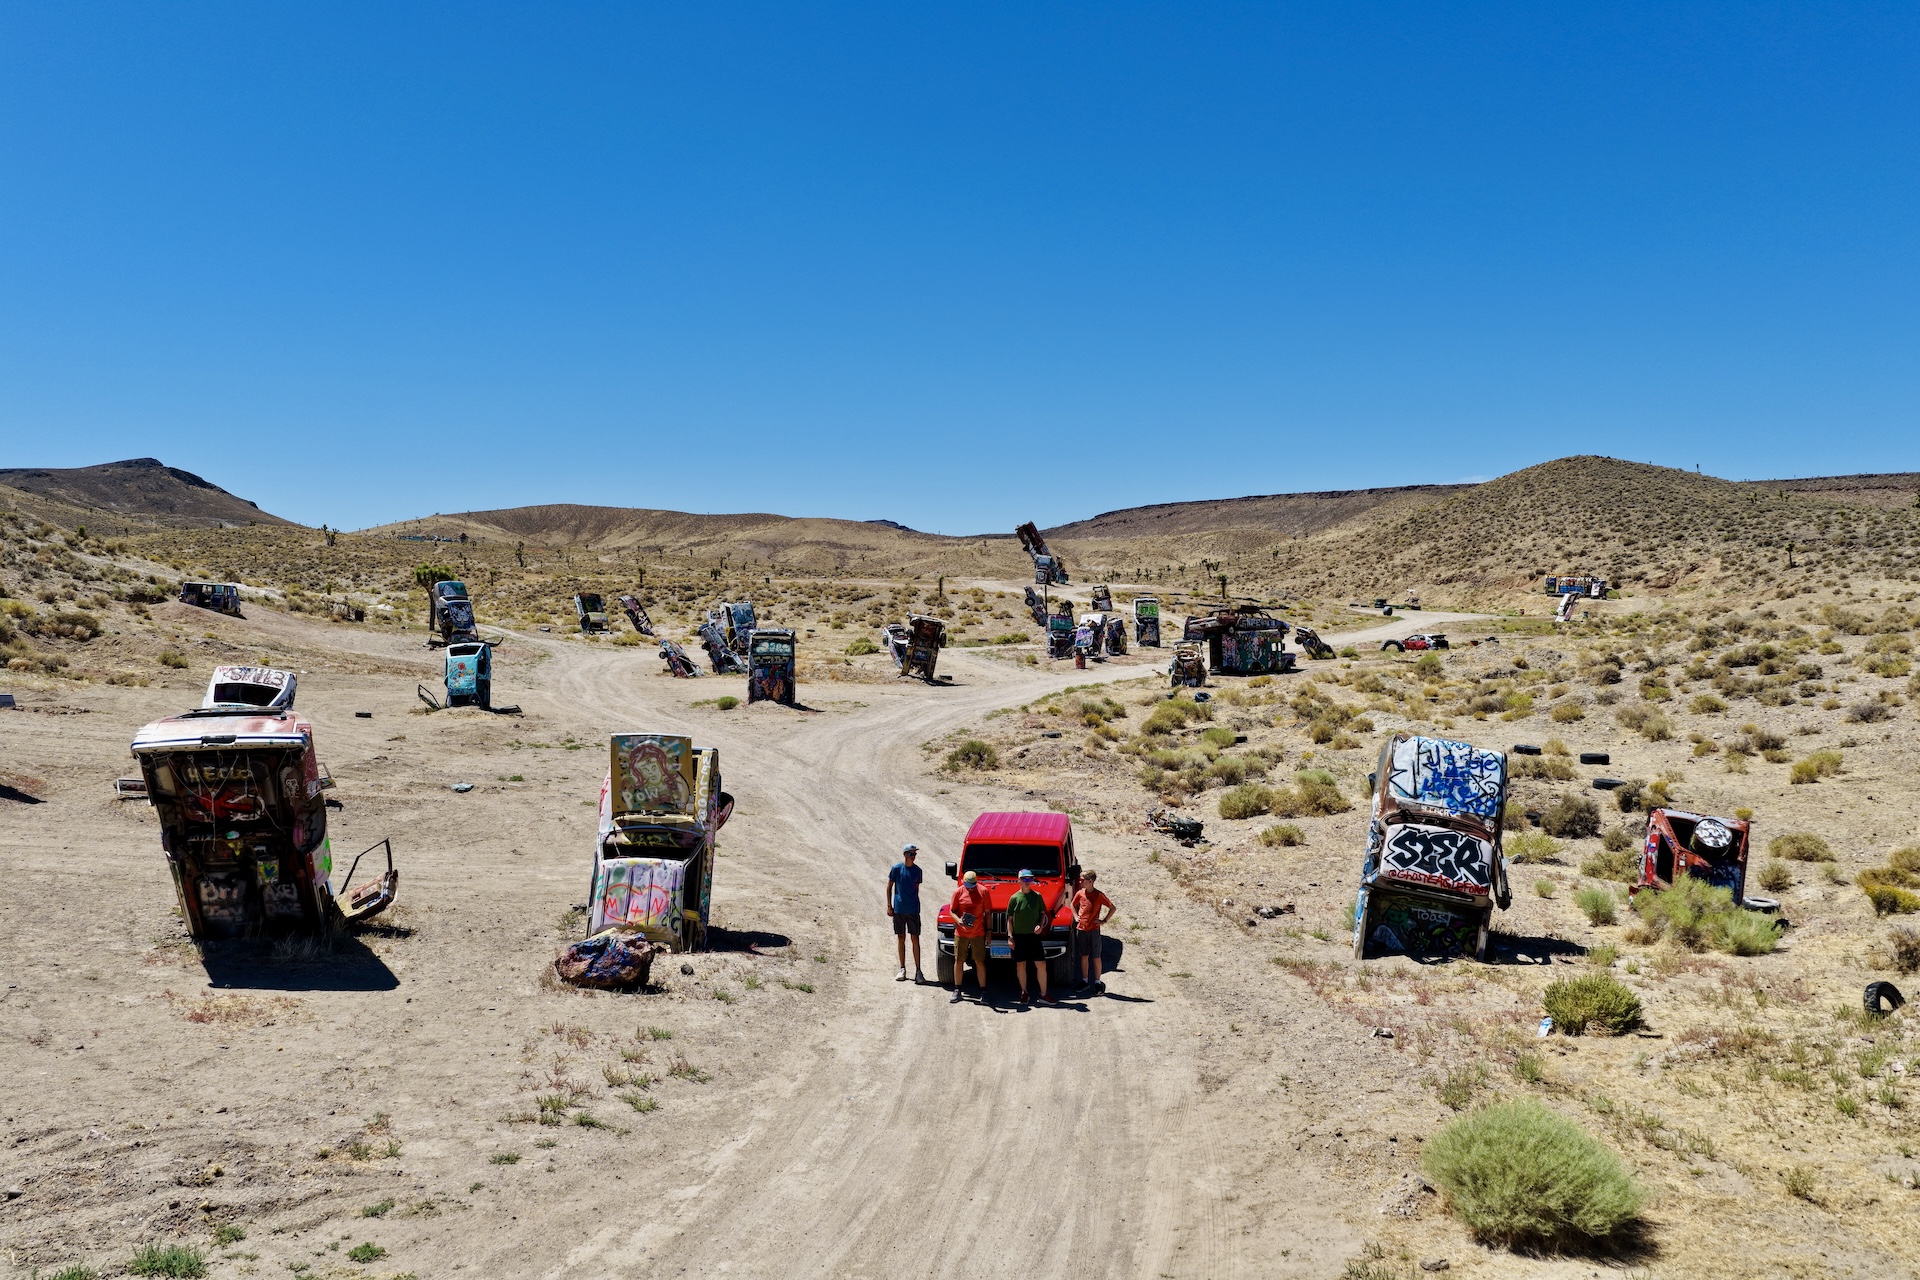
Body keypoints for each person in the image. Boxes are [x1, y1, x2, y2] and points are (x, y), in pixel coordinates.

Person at [1005, 868, 1053, 1005]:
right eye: (1025, 879)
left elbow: (1043, 913)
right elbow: (1009, 919)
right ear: (1019, 880)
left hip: (1034, 937)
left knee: (1041, 964)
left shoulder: (1037, 896)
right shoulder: (1014, 898)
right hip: (1018, 937)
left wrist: (1040, 925)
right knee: (1021, 965)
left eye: (1030, 879)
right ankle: (1024, 992)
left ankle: (1044, 994)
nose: (1027, 882)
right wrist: (1010, 937)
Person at [948, 869, 991, 1003]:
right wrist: (958, 920)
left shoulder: (983, 892)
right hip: (961, 933)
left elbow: (988, 913)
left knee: (979, 961)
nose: (970, 890)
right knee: (959, 960)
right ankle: (957, 989)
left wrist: (989, 932)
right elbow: (952, 910)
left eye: (972, 887)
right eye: (968, 887)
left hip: (978, 933)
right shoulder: (958, 892)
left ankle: (983, 991)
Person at [1071, 870, 1116, 993]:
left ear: (1090, 881)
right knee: (1083, 956)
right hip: (1081, 929)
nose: (1080, 882)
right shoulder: (1080, 893)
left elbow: (1112, 908)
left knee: (1096, 957)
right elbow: (1072, 904)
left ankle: (1097, 982)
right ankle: (1084, 980)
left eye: (1082, 880)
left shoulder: (1099, 895)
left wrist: (1104, 921)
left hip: (1094, 930)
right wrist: (1075, 916)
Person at [886, 843, 924, 983]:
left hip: (913, 910)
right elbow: (889, 887)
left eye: (914, 854)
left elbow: (916, 889)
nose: (913, 856)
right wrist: (890, 905)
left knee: (915, 938)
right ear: (905, 854)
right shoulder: (896, 869)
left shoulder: (918, 871)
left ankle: (918, 971)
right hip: (899, 910)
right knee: (901, 937)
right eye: (910, 854)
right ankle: (902, 968)